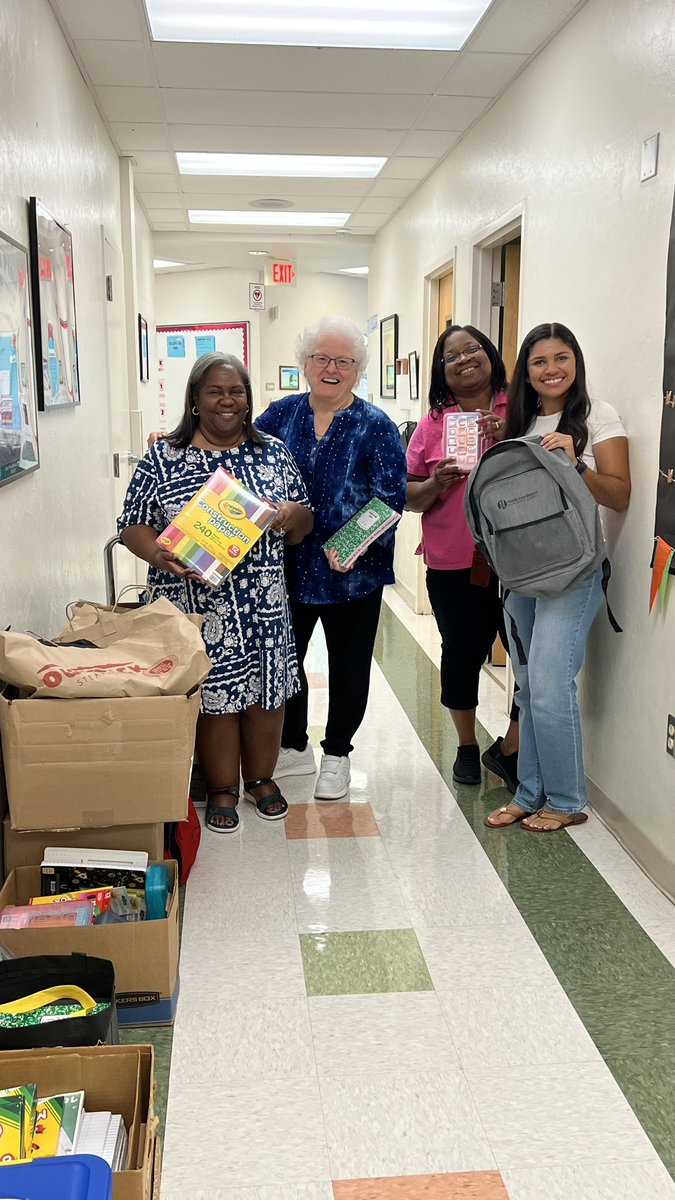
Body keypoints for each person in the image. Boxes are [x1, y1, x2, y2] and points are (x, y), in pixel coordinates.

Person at [118, 352, 313, 834]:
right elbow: (131, 526)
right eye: (216, 391)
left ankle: (262, 779)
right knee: (212, 694)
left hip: (262, 601)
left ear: (248, 401)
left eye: (237, 392)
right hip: (193, 604)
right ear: (196, 401)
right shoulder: (164, 455)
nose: (228, 401)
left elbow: (305, 524)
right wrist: (159, 554)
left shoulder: (273, 452)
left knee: (267, 691)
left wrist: (290, 513)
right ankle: (222, 786)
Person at [486, 322, 630, 832]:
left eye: (561, 358)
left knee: (549, 682)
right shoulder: (518, 423)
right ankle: (529, 793)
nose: (552, 370)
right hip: (521, 572)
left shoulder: (597, 416)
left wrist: (574, 463)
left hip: (578, 569)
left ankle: (568, 800)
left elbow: (618, 495)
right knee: (526, 685)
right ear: (526, 371)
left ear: (576, 361)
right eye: (539, 361)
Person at [256, 315, 407, 800]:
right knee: (286, 661)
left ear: (358, 370)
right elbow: (238, 457)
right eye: (322, 358)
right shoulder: (280, 416)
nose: (331, 368)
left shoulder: (375, 426)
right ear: (304, 364)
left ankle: (337, 753)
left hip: (352, 575)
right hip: (285, 569)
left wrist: (349, 545)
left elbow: (390, 497)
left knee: (349, 664)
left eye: (344, 361)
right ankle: (293, 745)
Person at [406, 325, 520, 789]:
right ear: (442, 371)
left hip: (521, 558)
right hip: (454, 560)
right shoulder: (434, 424)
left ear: (489, 353)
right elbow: (408, 495)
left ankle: (512, 744)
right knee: (461, 652)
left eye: (472, 349)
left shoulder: (522, 408)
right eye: (451, 356)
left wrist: (509, 433)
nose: (464, 360)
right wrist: (438, 483)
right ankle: (468, 744)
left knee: (529, 655)